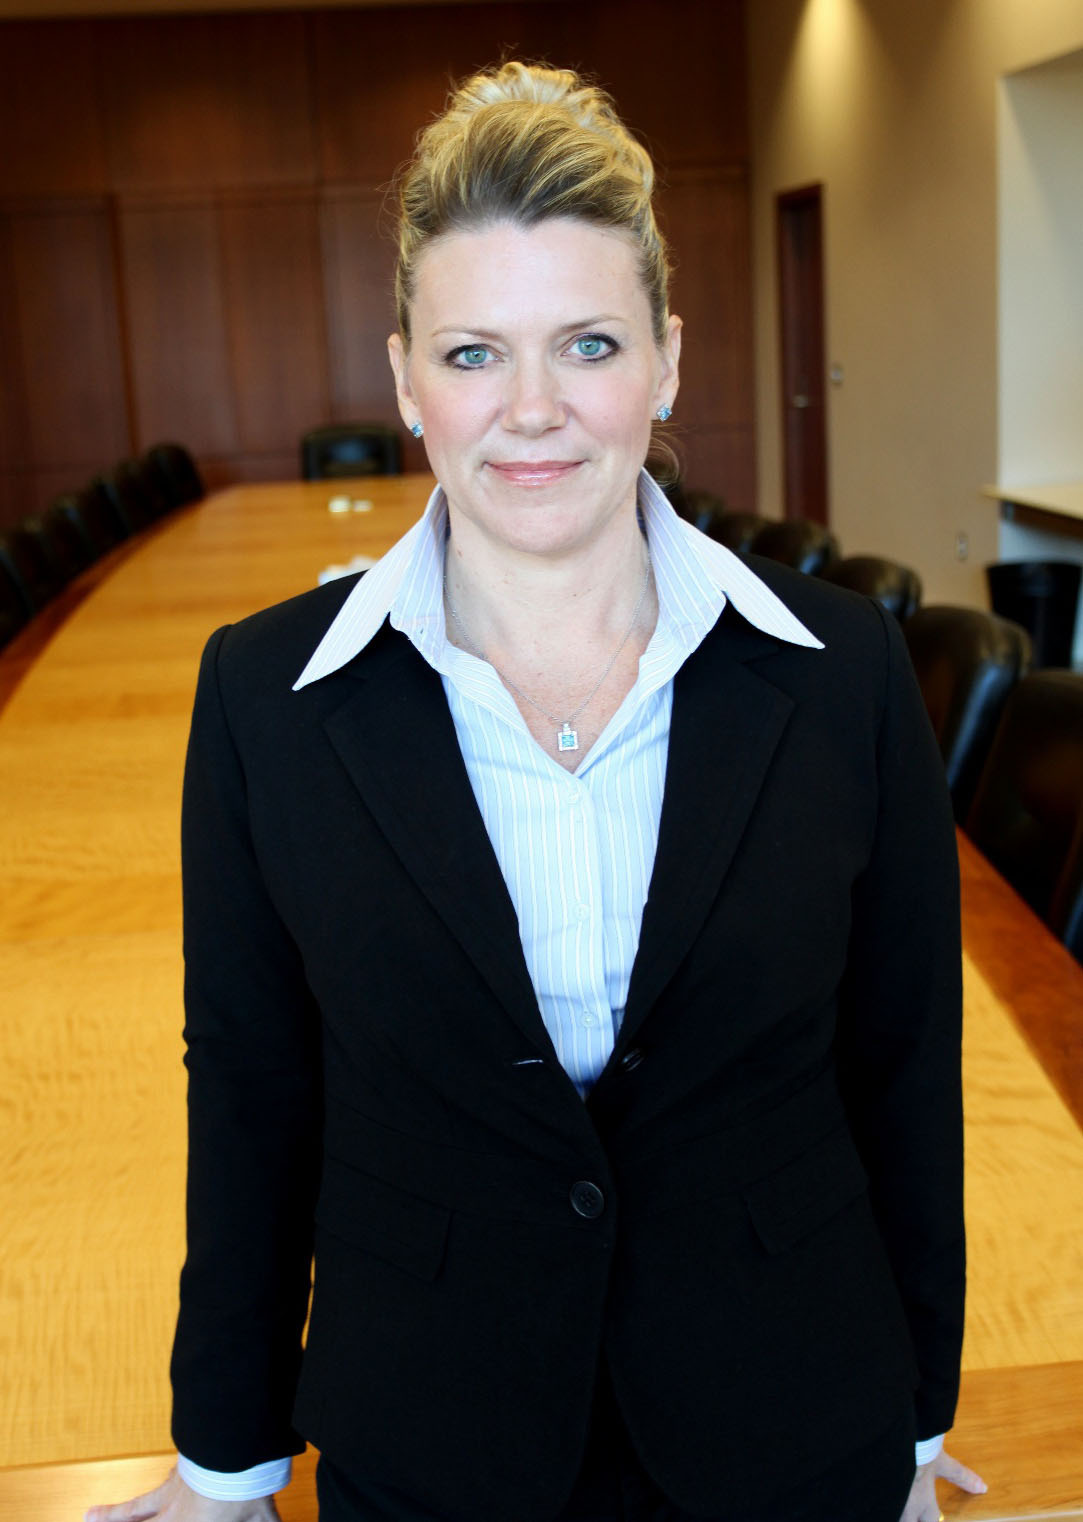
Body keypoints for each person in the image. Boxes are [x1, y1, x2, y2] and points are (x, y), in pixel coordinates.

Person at [87, 61, 988, 1522]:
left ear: (668, 360)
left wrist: (916, 1420)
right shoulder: (265, 698)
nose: (532, 411)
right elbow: (252, 1091)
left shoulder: (845, 674)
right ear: (405, 380)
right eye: (473, 354)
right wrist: (226, 1460)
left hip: (792, 1419)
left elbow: (904, 1063)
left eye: (587, 343)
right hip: (430, 1437)